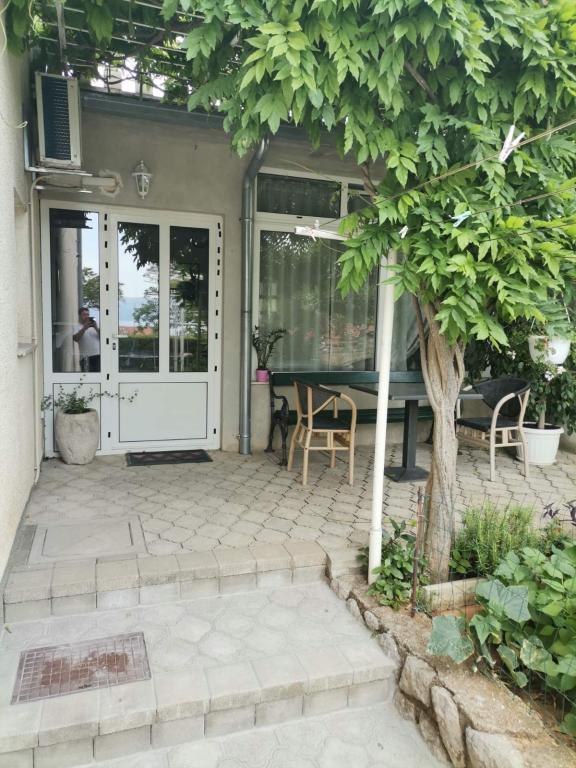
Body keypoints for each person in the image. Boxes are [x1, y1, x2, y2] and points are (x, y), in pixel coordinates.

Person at [73, 307, 100, 372]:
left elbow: (104, 339)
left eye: (88, 314)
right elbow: (75, 338)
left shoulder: (94, 326)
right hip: (85, 357)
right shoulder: (76, 326)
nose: (86, 316)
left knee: (99, 376)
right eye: (84, 315)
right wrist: (84, 328)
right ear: (79, 316)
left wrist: (96, 327)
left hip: (98, 355)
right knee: (87, 376)